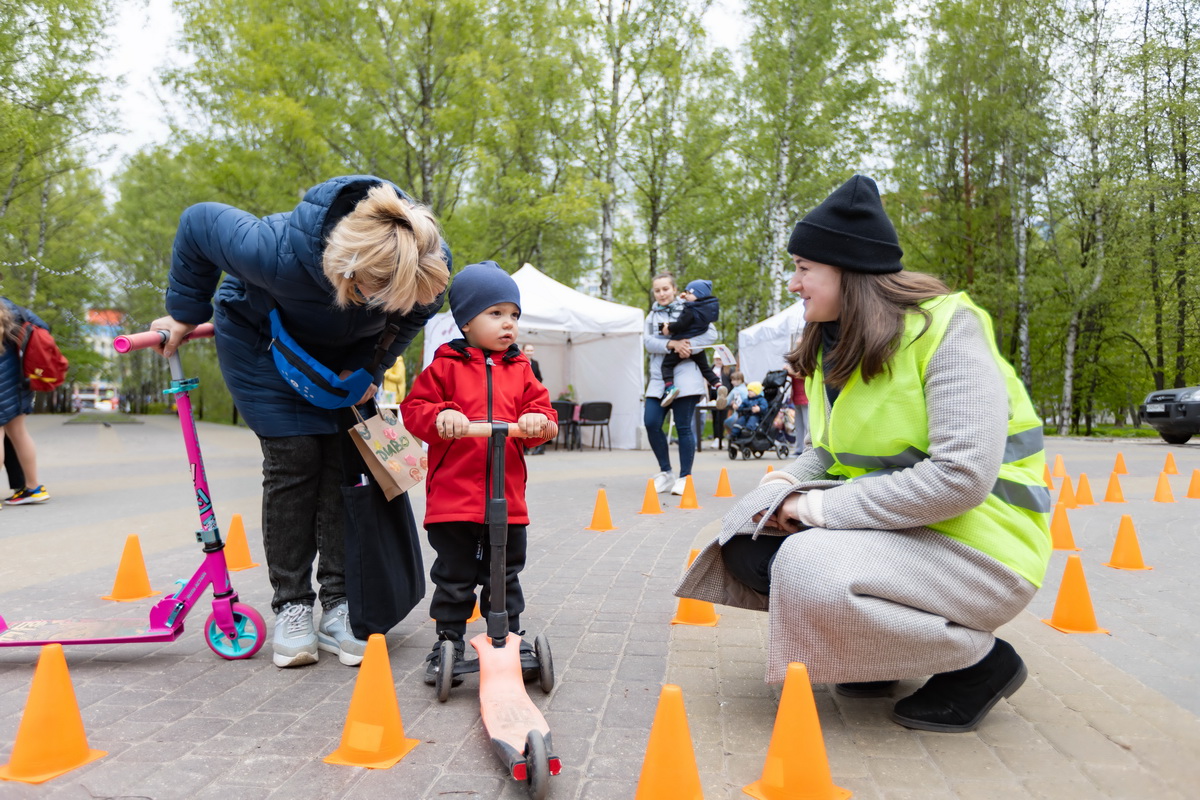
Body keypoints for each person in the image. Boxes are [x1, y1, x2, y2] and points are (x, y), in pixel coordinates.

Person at [675, 174, 1051, 734]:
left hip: (983, 544)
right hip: (909, 532)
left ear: (846, 271)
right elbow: (828, 452)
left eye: (805, 268)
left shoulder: (948, 330)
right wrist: (778, 487)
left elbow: (962, 477)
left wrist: (811, 510)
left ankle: (981, 663)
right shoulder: (839, 344)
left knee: (803, 562)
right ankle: (873, 658)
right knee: (745, 542)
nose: (795, 281)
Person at [151, 176, 451, 668]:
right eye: (377, 296)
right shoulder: (273, 251)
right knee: (296, 459)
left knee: (341, 466)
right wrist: (183, 313)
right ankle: (291, 606)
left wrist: (374, 363)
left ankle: (337, 605)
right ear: (349, 270)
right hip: (262, 348)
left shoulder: (424, 259)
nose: (387, 306)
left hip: (342, 358)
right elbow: (198, 222)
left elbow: (414, 316)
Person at [399, 261, 557, 686]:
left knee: (504, 573)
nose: (509, 324)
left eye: (514, 315)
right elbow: (414, 412)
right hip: (454, 500)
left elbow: (541, 410)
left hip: (507, 500)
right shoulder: (444, 366)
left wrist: (539, 422)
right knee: (454, 576)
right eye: (496, 313)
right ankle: (447, 640)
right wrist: (443, 414)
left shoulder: (521, 369)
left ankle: (507, 637)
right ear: (466, 321)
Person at [644, 273, 718, 496]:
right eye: (657, 290)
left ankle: (685, 477)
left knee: (684, 427)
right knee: (651, 422)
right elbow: (648, 342)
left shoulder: (690, 307)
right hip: (659, 378)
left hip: (686, 377)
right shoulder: (651, 316)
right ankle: (665, 472)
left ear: (675, 289)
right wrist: (672, 344)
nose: (662, 294)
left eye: (666, 289)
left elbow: (711, 334)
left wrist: (688, 345)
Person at [0, 294, 50, 506]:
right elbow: (43, 328)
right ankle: (33, 488)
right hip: (19, 379)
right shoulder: (13, 308)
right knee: (19, 434)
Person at [658, 279, 722, 406]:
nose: (685, 295)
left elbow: (681, 324)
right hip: (698, 347)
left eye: (688, 293)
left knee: (666, 365)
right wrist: (683, 298)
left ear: (697, 295)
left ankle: (670, 388)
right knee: (705, 368)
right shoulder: (706, 309)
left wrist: (668, 328)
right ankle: (718, 385)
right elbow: (692, 308)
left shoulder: (690, 310)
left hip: (682, 342)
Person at [522, 343, 546, 454]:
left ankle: (539, 447)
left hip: (533, 392)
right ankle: (524, 447)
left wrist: (535, 386)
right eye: (528, 350)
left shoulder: (535, 363)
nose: (530, 352)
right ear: (523, 350)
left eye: (531, 350)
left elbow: (540, 377)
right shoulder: (519, 362)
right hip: (522, 394)